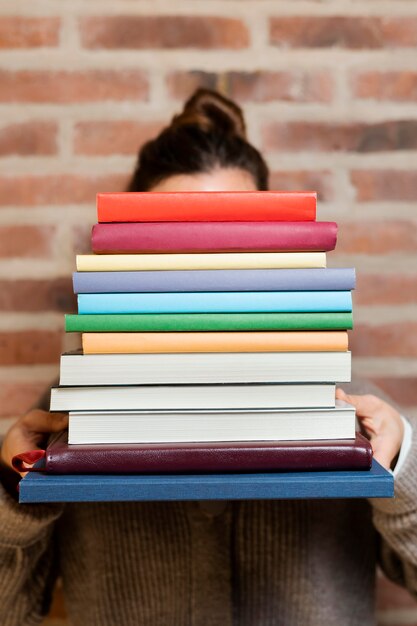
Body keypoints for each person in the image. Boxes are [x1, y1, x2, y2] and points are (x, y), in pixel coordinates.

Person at [0, 89, 416, 626]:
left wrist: (402, 472)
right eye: (176, 245)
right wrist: (14, 493)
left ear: (278, 251)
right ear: (126, 254)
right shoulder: (69, 422)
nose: (205, 277)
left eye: (232, 243)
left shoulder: (344, 410)